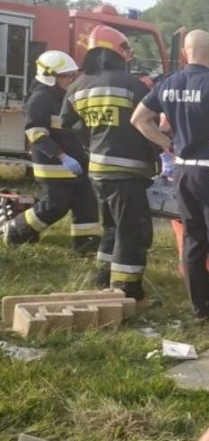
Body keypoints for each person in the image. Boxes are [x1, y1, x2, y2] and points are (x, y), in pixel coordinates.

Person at [131, 29, 209, 325]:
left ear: (184, 52)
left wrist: (166, 144)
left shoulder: (167, 83)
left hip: (182, 170)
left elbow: (138, 119)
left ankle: (200, 308)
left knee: (194, 241)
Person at [61, 25, 156, 301]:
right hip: (127, 172)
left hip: (98, 171)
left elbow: (68, 124)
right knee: (131, 231)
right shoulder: (132, 85)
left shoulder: (78, 86)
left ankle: (103, 275)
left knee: (112, 227)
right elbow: (147, 121)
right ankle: (126, 289)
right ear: (119, 51)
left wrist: (93, 136)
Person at [0, 51, 99, 252]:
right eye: (66, 75)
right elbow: (35, 133)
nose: (72, 79)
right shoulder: (40, 99)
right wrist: (62, 157)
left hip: (75, 160)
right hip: (53, 164)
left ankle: (86, 245)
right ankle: (17, 230)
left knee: (86, 203)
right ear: (49, 75)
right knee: (55, 206)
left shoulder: (65, 97)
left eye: (73, 74)